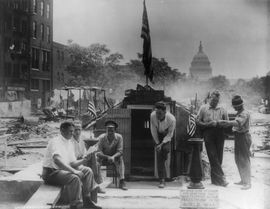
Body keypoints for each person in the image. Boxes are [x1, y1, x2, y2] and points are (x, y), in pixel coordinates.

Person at [42, 121, 102, 209]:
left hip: (62, 171)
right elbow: (57, 160)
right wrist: (74, 171)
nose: (72, 133)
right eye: (70, 131)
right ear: (62, 130)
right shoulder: (55, 141)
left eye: (73, 131)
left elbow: (72, 163)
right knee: (74, 178)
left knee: (88, 171)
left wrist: (84, 160)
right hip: (51, 173)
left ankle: (87, 200)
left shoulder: (69, 142)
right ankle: (76, 205)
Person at [218, 95, 252, 190]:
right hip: (238, 136)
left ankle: (248, 183)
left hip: (244, 137)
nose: (234, 108)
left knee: (244, 160)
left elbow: (238, 123)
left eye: (235, 106)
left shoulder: (244, 113)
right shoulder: (239, 112)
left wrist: (226, 122)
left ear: (240, 105)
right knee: (238, 159)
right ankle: (243, 180)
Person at [197, 90, 229, 187]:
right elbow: (197, 122)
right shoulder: (203, 108)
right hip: (208, 133)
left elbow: (227, 123)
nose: (214, 102)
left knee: (219, 157)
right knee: (212, 156)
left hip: (220, 133)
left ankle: (215, 180)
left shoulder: (223, 108)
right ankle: (222, 179)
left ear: (219, 100)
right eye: (213, 100)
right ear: (210, 98)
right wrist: (208, 124)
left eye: (216, 101)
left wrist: (221, 123)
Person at [71, 121, 105, 193]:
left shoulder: (82, 138)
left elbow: (86, 150)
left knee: (94, 159)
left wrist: (90, 151)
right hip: (74, 161)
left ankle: (96, 185)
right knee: (93, 164)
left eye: (79, 129)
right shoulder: (70, 140)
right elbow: (72, 157)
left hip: (83, 157)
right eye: (75, 130)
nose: (77, 132)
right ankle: (95, 186)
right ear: (72, 130)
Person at [150, 102, 176, 188]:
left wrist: (162, 144)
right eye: (156, 113)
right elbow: (153, 130)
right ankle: (162, 180)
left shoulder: (172, 119)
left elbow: (170, 134)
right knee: (159, 155)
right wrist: (157, 143)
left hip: (166, 136)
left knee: (165, 150)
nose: (157, 115)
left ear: (165, 112)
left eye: (160, 113)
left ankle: (163, 157)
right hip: (157, 135)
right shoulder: (152, 115)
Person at [96, 120, 128, 190]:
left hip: (114, 157)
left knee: (120, 159)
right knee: (96, 160)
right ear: (106, 130)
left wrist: (113, 157)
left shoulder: (119, 137)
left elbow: (120, 151)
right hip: (104, 157)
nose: (110, 132)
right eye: (108, 130)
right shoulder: (101, 137)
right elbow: (98, 152)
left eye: (112, 130)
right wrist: (107, 157)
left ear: (115, 130)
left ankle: (122, 181)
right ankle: (98, 182)